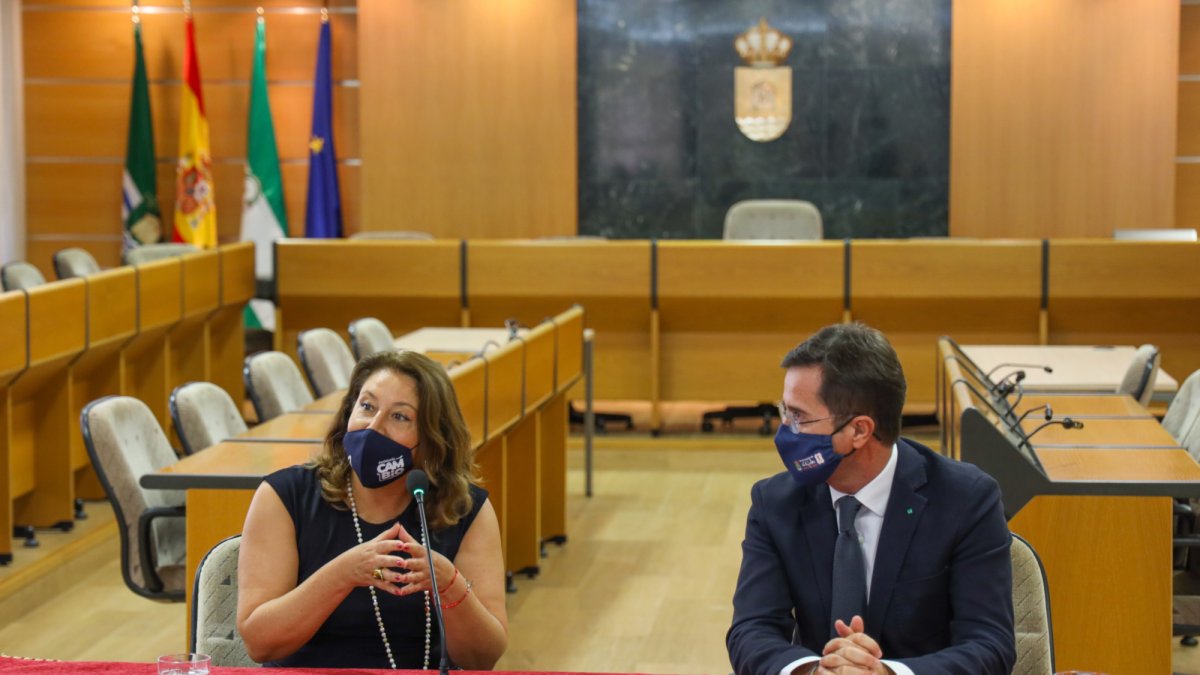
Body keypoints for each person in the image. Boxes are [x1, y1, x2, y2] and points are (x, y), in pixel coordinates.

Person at [727, 323, 1015, 675]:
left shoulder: (966, 500)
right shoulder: (775, 502)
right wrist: (812, 671)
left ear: (860, 430)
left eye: (798, 416)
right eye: (784, 411)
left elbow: (990, 644)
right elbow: (750, 630)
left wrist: (890, 674)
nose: (785, 429)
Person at [238, 350, 508, 669]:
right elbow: (259, 643)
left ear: (432, 439)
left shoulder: (464, 509)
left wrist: (450, 584)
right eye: (367, 406)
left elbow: (483, 657)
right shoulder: (284, 496)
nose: (374, 427)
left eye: (399, 416)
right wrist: (344, 574)